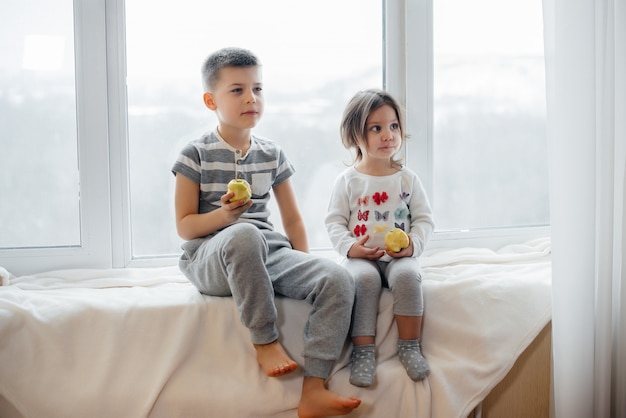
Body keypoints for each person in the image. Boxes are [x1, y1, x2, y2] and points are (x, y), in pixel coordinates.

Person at [172, 47, 361, 417]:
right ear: (211, 100)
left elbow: (291, 221)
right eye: (237, 90)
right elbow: (185, 227)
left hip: (266, 251)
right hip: (211, 257)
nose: (251, 98)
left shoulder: (272, 153)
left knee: (338, 278)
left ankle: (314, 388)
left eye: (258, 89)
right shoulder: (195, 153)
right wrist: (225, 216)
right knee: (244, 234)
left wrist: (304, 268)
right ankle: (265, 340)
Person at [325, 88, 435, 388]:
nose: (388, 135)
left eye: (393, 126)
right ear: (355, 135)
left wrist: (413, 245)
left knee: (408, 277)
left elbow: (424, 219)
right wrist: (351, 248)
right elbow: (334, 222)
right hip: (362, 259)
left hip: (400, 257)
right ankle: (363, 352)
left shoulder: (407, 179)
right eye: (376, 128)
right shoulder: (348, 181)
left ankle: (409, 347)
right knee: (365, 281)